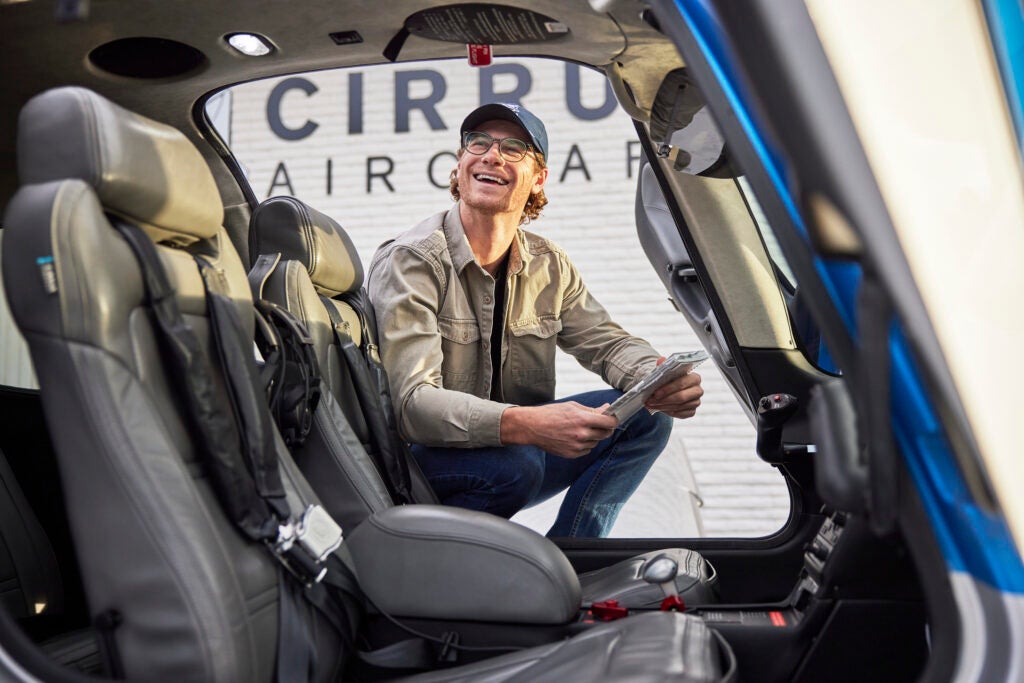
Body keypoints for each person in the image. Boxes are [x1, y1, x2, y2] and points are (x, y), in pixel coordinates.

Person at [367, 103, 703, 537]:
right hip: (420, 465)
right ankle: (465, 571)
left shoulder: (549, 264)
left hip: (512, 453)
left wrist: (656, 378)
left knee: (648, 417)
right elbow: (413, 405)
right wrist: (525, 424)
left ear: (538, 178)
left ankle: (572, 562)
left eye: (513, 147)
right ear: (461, 163)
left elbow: (606, 342)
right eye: (478, 142)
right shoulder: (411, 261)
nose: (491, 155)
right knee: (517, 461)